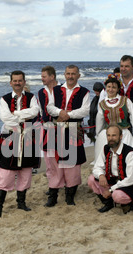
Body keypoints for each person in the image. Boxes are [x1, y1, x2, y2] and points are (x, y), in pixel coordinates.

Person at [0, 70, 40, 217]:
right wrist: (22, 116)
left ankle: (21, 203)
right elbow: (5, 118)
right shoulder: (4, 99)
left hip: (27, 137)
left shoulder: (32, 97)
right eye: (15, 81)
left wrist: (16, 114)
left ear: (24, 82)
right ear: (11, 83)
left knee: (25, 172)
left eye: (20, 80)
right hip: (10, 137)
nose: (18, 83)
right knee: (6, 173)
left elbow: (35, 112)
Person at [45, 65, 90, 207]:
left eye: (73, 74)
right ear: (64, 75)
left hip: (73, 130)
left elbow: (85, 111)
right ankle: (52, 197)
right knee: (54, 164)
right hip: (56, 130)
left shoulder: (84, 92)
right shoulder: (56, 90)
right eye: (68, 73)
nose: (70, 76)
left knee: (72, 165)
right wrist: (60, 112)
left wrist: (68, 115)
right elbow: (49, 107)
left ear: (78, 75)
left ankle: (70, 196)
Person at [88, 124, 133, 214]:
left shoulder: (130, 153)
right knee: (91, 179)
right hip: (112, 181)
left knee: (117, 195)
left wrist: (111, 190)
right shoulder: (106, 149)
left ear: (121, 136)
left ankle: (129, 204)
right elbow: (97, 167)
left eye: (114, 135)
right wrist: (101, 175)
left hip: (128, 185)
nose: (111, 138)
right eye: (109, 135)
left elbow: (131, 179)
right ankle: (108, 203)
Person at [93, 73, 133, 165]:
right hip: (108, 134)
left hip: (124, 134)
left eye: (113, 87)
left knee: (126, 160)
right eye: (108, 87)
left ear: (118, 89)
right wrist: (98, 134)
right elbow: (99, 120)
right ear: (105, 87)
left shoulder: (125, 100)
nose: (110, 89)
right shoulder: (102, 104)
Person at [37, 66, 59, 190]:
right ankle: (52, 186)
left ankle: (66, 185)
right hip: (47, 128)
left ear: (52, 77)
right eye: (41, 76)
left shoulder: (63, 89)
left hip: (62, 128)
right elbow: (41, 110)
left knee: (64, 159)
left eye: (44, 76)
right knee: (49, 160)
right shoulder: (41, 92)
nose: (42, 79)